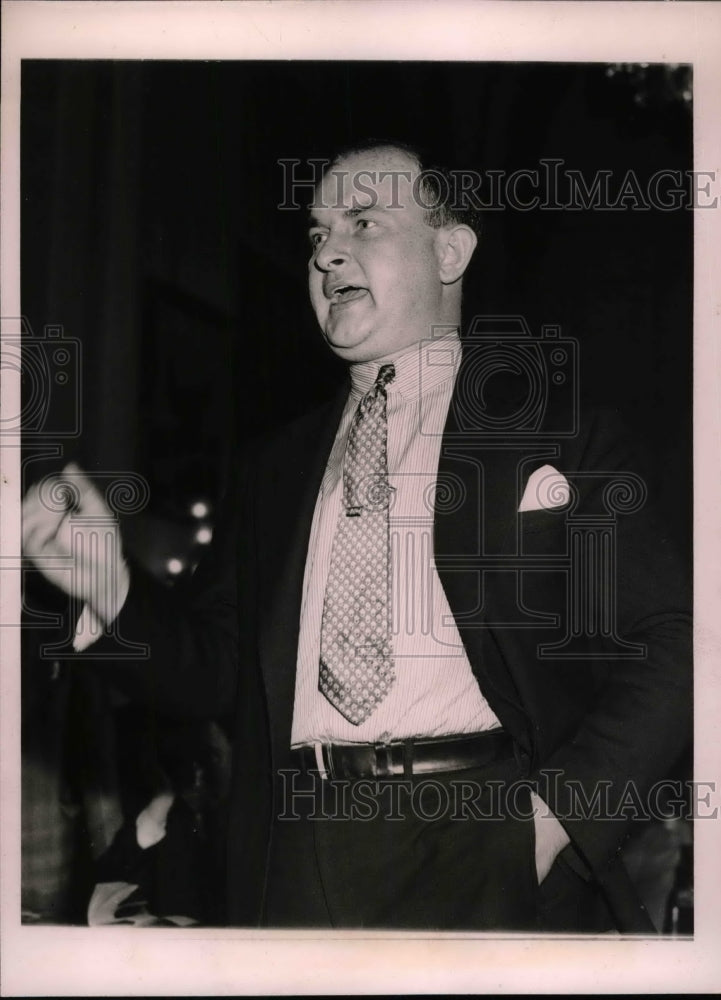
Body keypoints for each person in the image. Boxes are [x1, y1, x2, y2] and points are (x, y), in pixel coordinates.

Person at [22, 140, 691, 932]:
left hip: (485, 840)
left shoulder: (558, 435)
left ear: (450, 250)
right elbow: (218, 674)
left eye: (362, 221)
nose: (326, 251)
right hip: (296, 848)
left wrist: (552, 824)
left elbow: (676, 642)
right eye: (314, 236)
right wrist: (110, 586)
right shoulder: (273, 467)